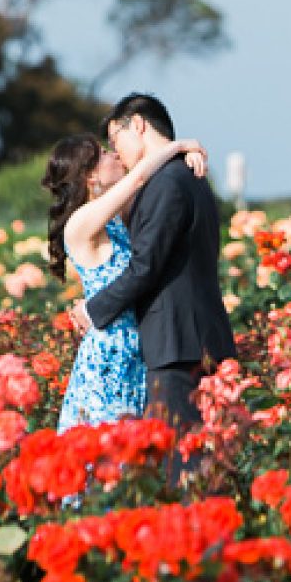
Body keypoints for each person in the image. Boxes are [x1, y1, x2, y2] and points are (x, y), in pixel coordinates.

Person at [72, 93, 236, 484]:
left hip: (178, 344)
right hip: (196, 337)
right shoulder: (188, 176)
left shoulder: (168, 183)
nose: (117, 153)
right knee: (203, 460)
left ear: (139, 126)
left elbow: (145, 266)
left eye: (117, 142)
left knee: (185, 466)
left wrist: (94, 310)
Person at [41, 131, 207, 431]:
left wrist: (184, 161)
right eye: (104, 154)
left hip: (134, 348)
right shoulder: (80, 222)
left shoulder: (114, 219)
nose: (115, 155)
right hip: (108, 354)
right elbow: (139, 178)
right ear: (90, 176)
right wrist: (180, 145)